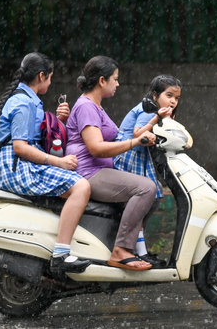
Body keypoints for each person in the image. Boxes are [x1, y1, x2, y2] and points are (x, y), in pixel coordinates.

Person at [0, 52, 91, 275]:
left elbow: (37, 138)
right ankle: (61, 254)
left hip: (17, 163)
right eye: (50, 78)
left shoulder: (27, 100)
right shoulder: (23, 103)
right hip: (15, 167)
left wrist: (59, 120)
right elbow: (20, 147)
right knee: (81, 187)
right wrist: (59, 161)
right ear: (42, 75)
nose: (50, 82)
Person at [57, 55, 157, 271]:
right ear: (102, 81)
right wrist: (134, 142)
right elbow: (96, 147)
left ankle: (132, 248)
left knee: (152, 192)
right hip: (89, 172)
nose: (118, 84)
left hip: (100, 169)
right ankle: (121, 250)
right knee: (146, 188)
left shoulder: (96, 106)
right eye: (115, 79)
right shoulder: (86, 107)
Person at [113, 75, 182, 266]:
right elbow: (138, 133)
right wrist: (157, 118)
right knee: (148, 197)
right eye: (169, 95)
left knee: (155, 196)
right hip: (129, 155)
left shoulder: (157, 112)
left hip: (139, 156)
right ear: (155, 95)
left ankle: (140, 248)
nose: (173, 101)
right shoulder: (148, 108)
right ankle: (140, 251)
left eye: (176, 98)